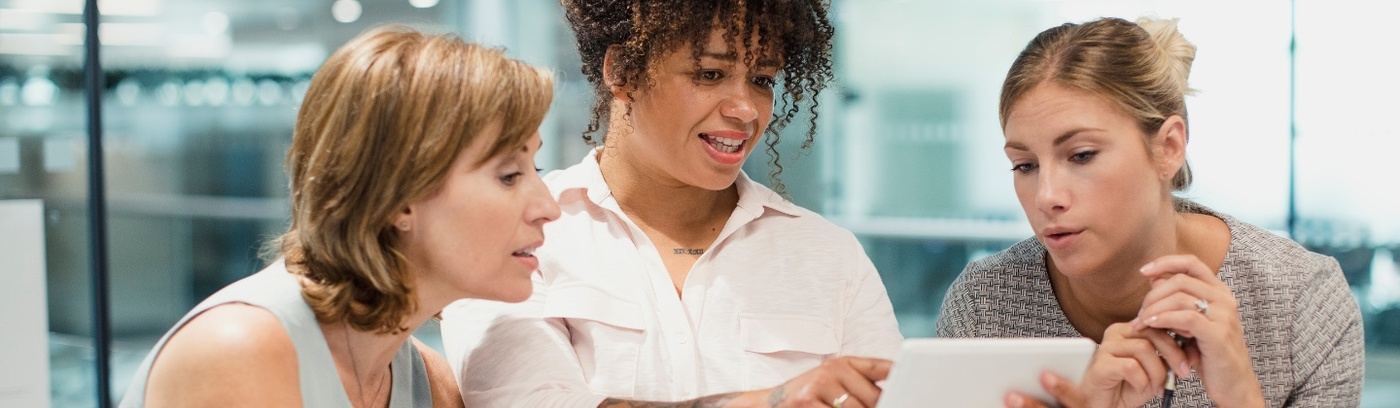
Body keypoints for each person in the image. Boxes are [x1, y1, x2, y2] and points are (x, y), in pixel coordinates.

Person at [440, 0, 903, 407]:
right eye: (710, 73)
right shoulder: (524, 236)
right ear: (622, 72)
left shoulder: (828, 254)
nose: (745, 108)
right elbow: (531, 402)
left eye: (762, 79)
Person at [119, 26, 559, 408]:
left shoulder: (430, 382)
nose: (548, 208)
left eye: (534, 168)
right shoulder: (238, 351)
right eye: (508, 175)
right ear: (398, 196)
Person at [935, 16, 1364, 408]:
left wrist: (1241, 397)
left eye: (1081, 155)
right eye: (1025, 165)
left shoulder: (1300, 302)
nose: (1047, 196)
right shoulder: (984, 307)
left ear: (1169, 147)